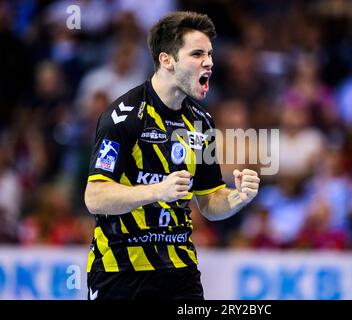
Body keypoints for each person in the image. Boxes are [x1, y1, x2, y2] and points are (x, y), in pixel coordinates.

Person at [84, 11, 260, 300]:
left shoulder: (203, 122)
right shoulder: (124, 115)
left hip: (180, 272)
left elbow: (209, 199)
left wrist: (238, 197)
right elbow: (95, 196)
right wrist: (157, 191)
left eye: (210, 54)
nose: (209, 62)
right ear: (167, 60)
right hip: (120, 271)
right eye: (197, 54)